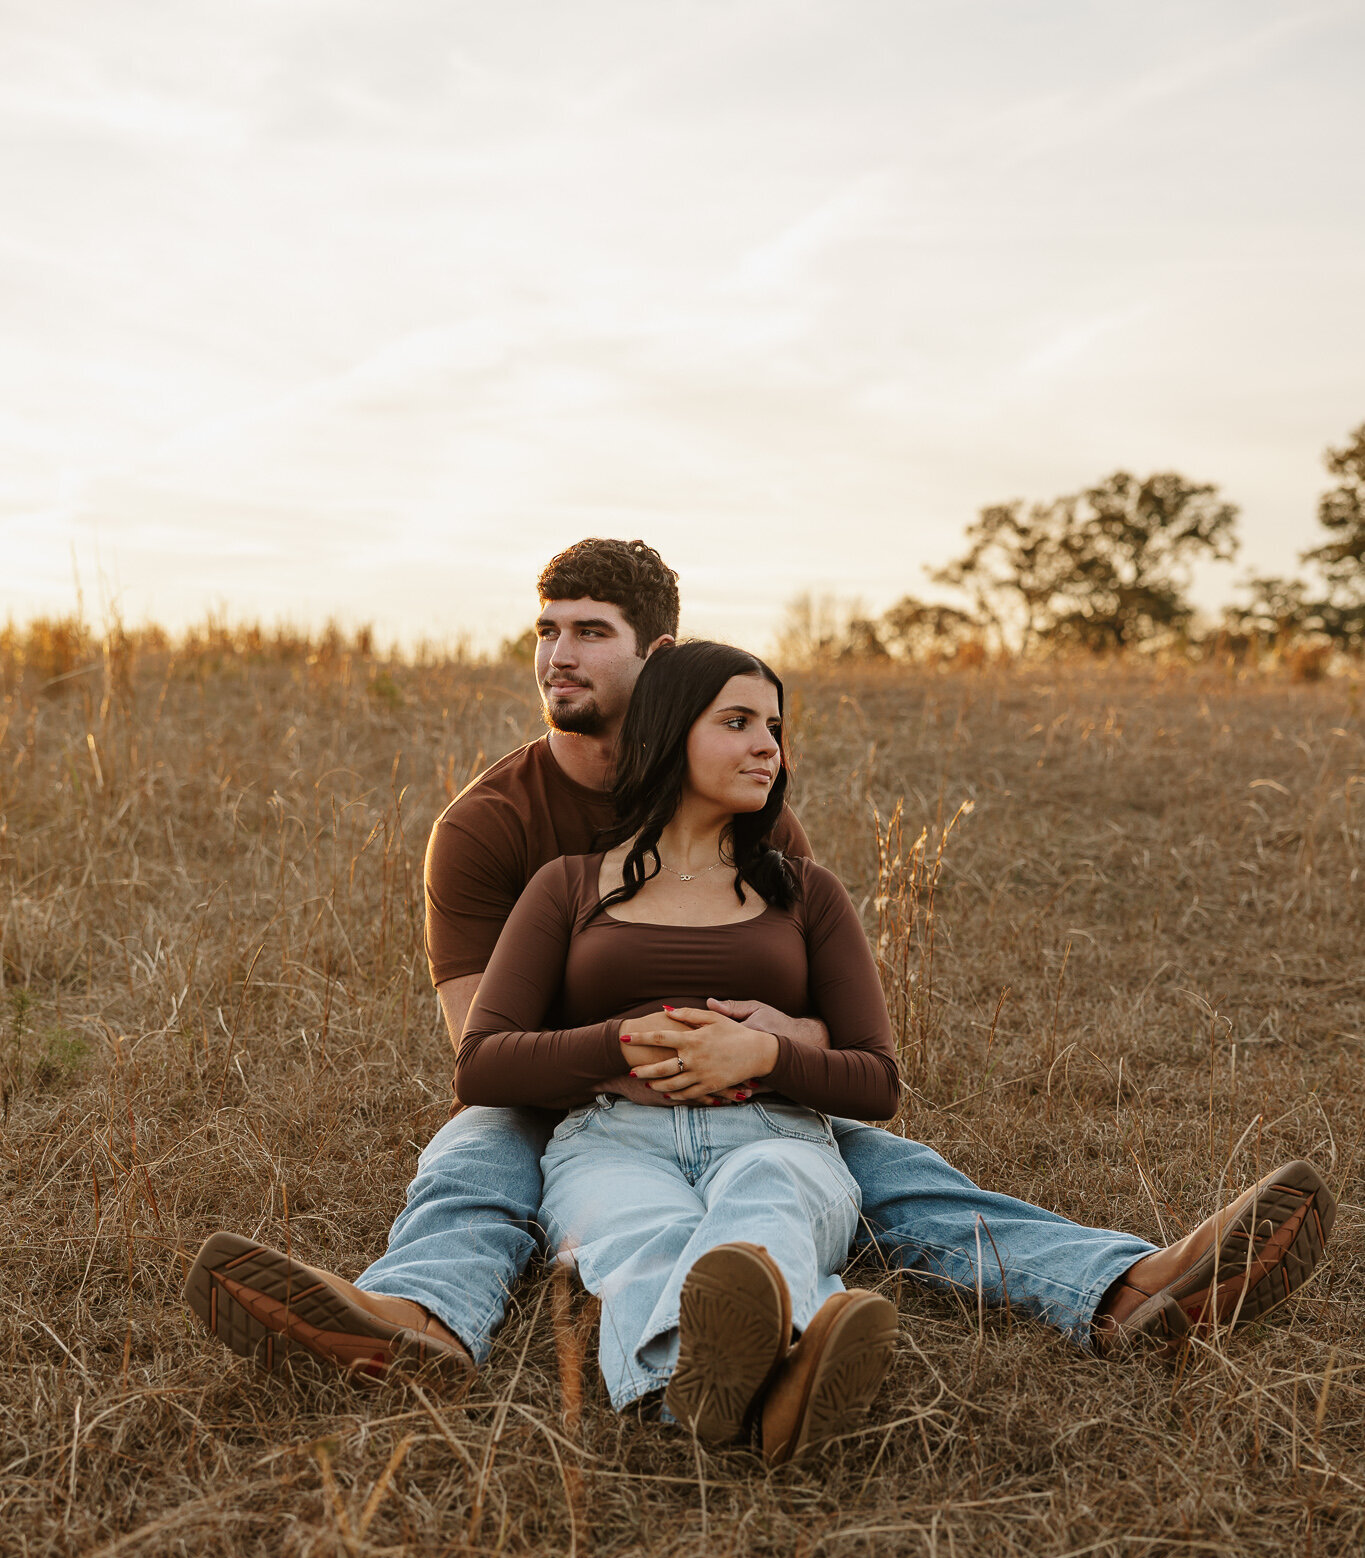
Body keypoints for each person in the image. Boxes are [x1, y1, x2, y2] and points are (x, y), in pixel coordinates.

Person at [185, 538, 1336, 1395]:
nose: (557, 654)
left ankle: (1126, 1287)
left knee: (869, 1159)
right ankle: (419, 1320)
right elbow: (473, 1048)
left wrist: (758, 1052)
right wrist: (632, 1057)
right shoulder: (491, 827)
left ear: (662, 658)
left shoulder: (745, 812)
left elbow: (835, 1034)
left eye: (588, 630)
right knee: (477, 1148)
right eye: (546, 629)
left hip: (750, 1093)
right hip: (568, 1098)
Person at [456, 639, 901, 1460]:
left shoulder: (806, 891)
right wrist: (618, 1041)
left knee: (767, 1196)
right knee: (640, 1231)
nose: (767, 745)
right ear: (667, 733)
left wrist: (763, 1056)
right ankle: (781, 1377)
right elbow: (480, 1062)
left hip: (774, 1133)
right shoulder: (567, 884)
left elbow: (877, 1081)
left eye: (773, 726)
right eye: (737, 722)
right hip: (608, 1142)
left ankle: (706, 1394)